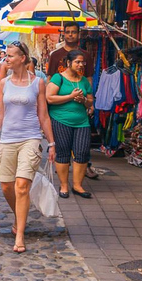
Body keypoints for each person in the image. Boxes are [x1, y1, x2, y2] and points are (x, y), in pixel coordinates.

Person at [0, 41, 56, 254]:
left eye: (11, 56)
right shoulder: (3, 84)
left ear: (23, 58)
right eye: (6, 56)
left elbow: (43, 115)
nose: (7, 59)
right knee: (6, 186)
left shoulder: (37, 83)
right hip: (7, 139)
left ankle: (20, 235)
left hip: (30, 138)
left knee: (22, 186)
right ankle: (19, 215)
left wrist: (50, 143)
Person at [47, 22, 99, 180]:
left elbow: (89, 77)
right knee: (63, 144)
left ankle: (83, 167)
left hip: (80, 105)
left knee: (82, 146)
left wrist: (89, 101)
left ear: (78, 34)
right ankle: (63, 167)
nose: (70, 35)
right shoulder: (56, 55)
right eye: (68, 32)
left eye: (73, 32)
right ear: (64, 34)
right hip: (60, 106)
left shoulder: (85, 55)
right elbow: (50, 78)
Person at [45, 50, 94, 199]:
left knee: (82, 152)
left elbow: (91, 100)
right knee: (63, 152)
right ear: (68, 63)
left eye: (82, 62)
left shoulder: (84, 80)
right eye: (77, 62)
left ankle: (78, 185)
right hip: (61, 120)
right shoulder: (58, 78)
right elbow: (49, 98)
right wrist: (71, 97)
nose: (81, 65)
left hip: (82, 122)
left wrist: (83, 101)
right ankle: (64, 185)